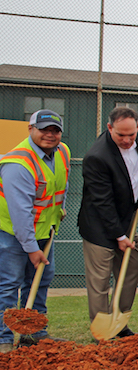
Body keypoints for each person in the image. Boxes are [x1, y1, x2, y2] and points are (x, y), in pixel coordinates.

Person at [0, 109, 70, 352]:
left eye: (55, 130)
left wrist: (58, 211)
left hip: (44, 231)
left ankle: (34, 334)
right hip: (11, 233)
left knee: (40, 281)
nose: (50, 135)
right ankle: (4, 340)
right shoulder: (17, 164)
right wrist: (31, 248)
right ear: (30, 129)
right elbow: (20, 213)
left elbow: (61, 183)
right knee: (9, 284)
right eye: (44, 130)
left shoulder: (62, 152)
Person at [79, 107, 138, 338]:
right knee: (100, 280)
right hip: (99, 224)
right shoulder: (97, 158)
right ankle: (102, 329)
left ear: (137, 128)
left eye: (132, 134)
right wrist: (119, 236)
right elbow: (103, 202)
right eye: (121, 135)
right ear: (109, 128)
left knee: (131, 269)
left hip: (126, 217)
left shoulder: (134, 137)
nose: (128, 140)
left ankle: (119, 322)